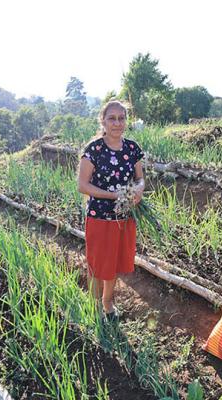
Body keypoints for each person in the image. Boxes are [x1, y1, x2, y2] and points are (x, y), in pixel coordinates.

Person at [77, 100, 144, 320]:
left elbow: (140, 178)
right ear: (103, 121)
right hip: (99, 217)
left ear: (126, 121)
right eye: (112, 118)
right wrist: (114, 195)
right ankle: (95, 307)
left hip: (124, 217)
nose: (117, 123)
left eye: (121, 118)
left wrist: (138, 190)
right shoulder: (94, 149)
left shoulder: (132, 149)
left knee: (113, 264)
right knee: (98, 265)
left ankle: (107, 303)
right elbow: (82, 185)